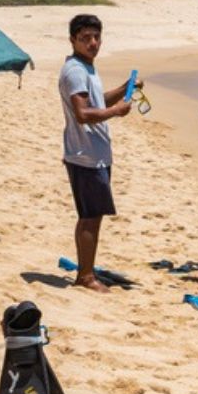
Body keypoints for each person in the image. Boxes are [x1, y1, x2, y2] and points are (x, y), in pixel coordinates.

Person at [57, 15, 137, 292]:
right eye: (85, 38)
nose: (92, 43)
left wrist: (126, 88)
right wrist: (116, 112)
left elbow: (97, 101)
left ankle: (86, 271)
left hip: (93, 154)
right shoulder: (76, 71)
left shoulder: (86, 68)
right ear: (73, 40)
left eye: (96, 37)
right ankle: (86, 276)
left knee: (92, 215)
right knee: (91, 216)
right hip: (85, 155)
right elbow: (83, 113)